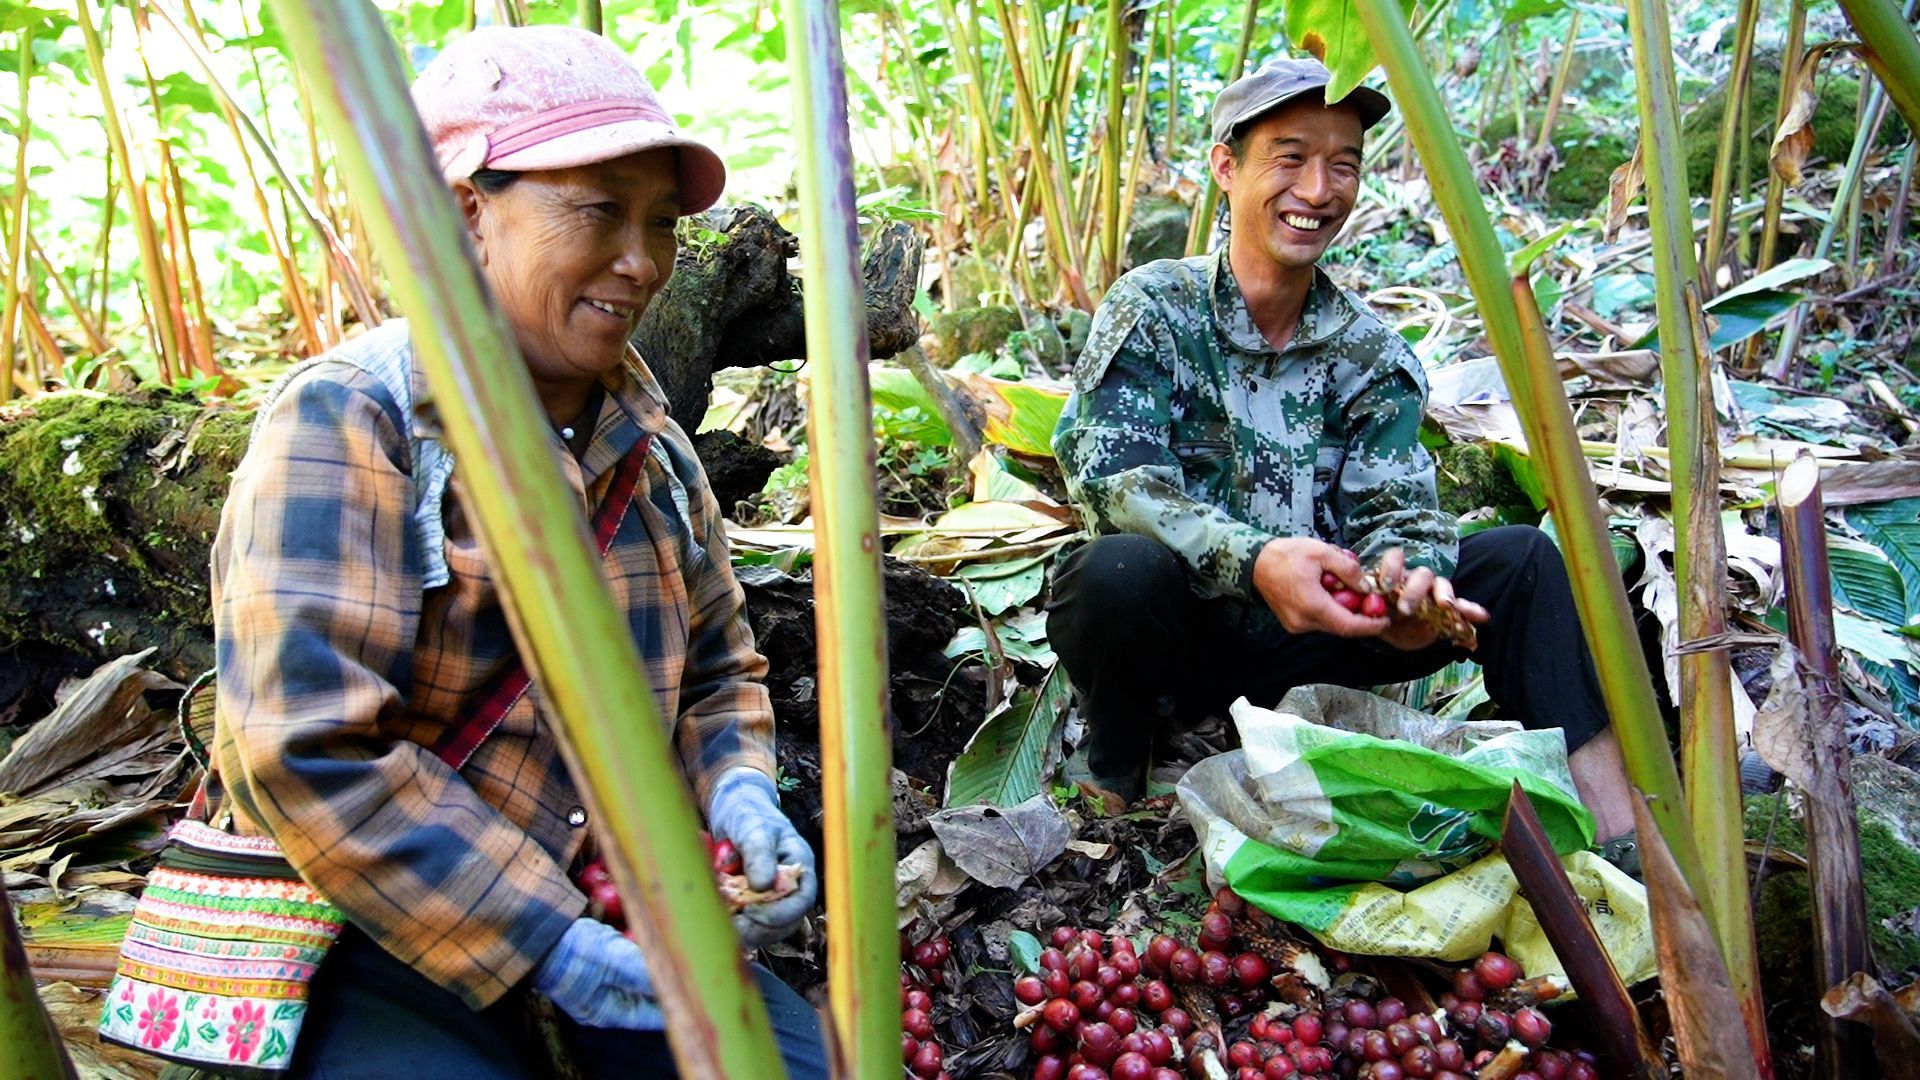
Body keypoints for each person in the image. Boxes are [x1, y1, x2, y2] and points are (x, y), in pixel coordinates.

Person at [208, 25, 826, 1078]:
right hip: (378, 923)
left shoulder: (655, 445)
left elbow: (724, 670)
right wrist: (543, 938)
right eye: (598, 210)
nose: (642, 262)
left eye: (660, 223)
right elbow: (300, 749)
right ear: (465, 212)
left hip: (615, 900)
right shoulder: (352, 420)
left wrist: (740, 794)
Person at [1046, 56, 1639, 866]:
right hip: (1179, 643)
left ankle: (1616, 834)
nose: (1319, 190)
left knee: (1525, 561)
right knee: (1113, 572)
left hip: (1316, 646)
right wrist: (1254, 561)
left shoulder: (1368, 351)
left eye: (1343, 165)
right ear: (1227, 167)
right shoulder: (1153, 309)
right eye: (1289, 158)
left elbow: (1399, 508)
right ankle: (1114, 773)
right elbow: (1117, 484)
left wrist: (1410, 587)